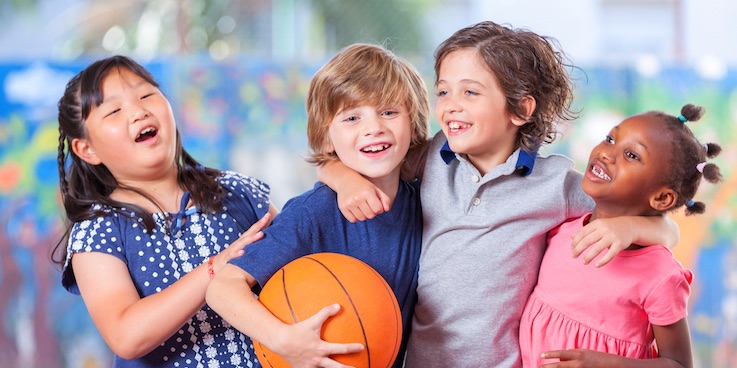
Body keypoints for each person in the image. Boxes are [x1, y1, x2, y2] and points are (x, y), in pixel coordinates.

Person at [318, 21, 680, 367]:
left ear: (521, 108)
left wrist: (629, 229)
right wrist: (342, 178)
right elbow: (349, 160)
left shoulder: (556, 182)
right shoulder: (430, 157)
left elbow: (668, 231)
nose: (450, 105)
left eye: (470, 92)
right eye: (444, 91)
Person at [205, 43, 430, 368]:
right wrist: (284, 340)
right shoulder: (314, 212)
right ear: (326, 138)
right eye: (352, 117)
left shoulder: (425, 197)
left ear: (415, 122)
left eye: (389, 112)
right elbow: (222, 289)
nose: (374, 127)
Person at [53, 55, 278, 367]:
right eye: (114, 110)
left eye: (146, 95)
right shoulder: (98, 230)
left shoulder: (238, 192)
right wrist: (215, 268)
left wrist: (339, 176)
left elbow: (306, 257)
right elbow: (126, 335)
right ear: (87, 149)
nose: (138, 110)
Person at [519, 104, 721, 368]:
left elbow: (678, 364)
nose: (607, 153)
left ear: (661, 198)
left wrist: (607, 364)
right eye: (611, 139)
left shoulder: (660, 276)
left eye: (631, 155)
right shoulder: (563, 227)